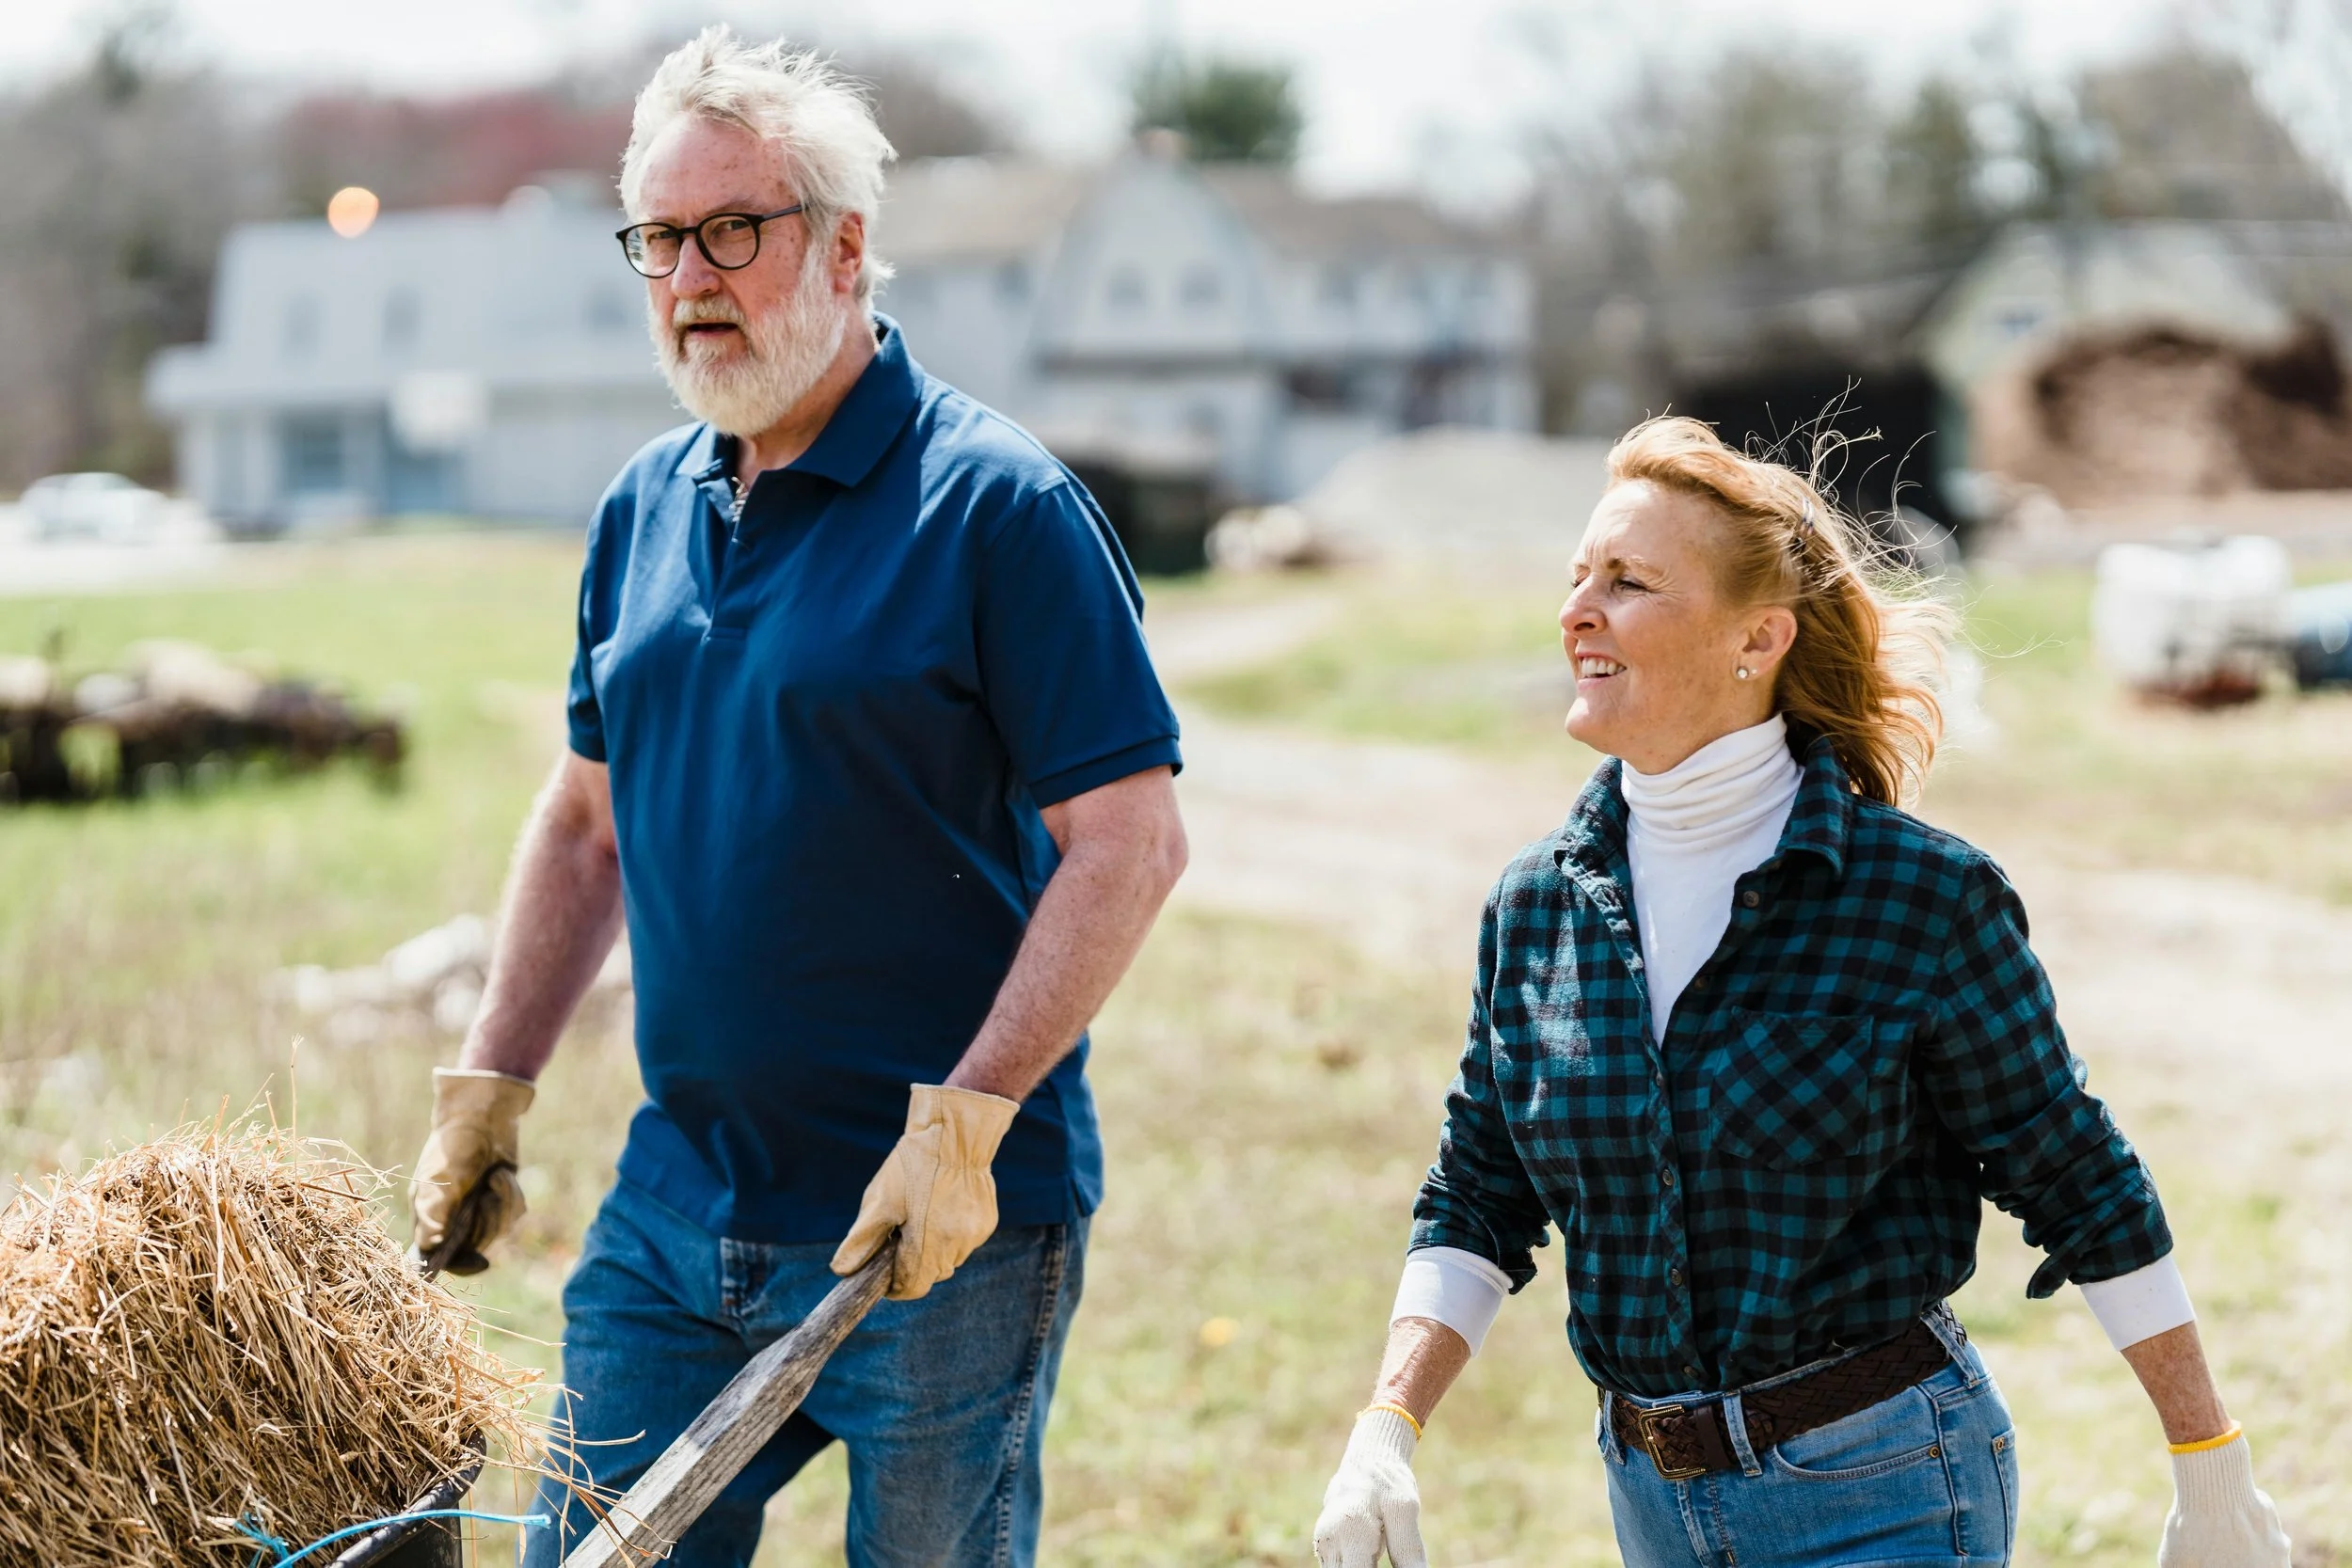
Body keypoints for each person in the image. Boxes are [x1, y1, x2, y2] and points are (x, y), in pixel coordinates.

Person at [405, 28, 1187, 1568]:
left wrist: (968, 1122)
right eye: (661, 239)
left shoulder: (997, 508)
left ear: (846, 248)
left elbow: (1132, 842)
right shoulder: (640, 504)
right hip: (677, 1205)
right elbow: (583, 821)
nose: (693, 276)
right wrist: (491, 1079)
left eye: (735, 231)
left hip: (945, 1227)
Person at [1311, 417, 2291, 1568]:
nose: (1579, 608)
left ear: (1757, 637)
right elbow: (1476, 1189)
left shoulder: (1919, 898)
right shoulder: (1536, 906)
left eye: (1627, 581)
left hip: (1883, 1486)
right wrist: (1385, 1426)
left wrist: (2206, 1458)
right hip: (1649, 1498)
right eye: (1578, 575)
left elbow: (2077, 1177)